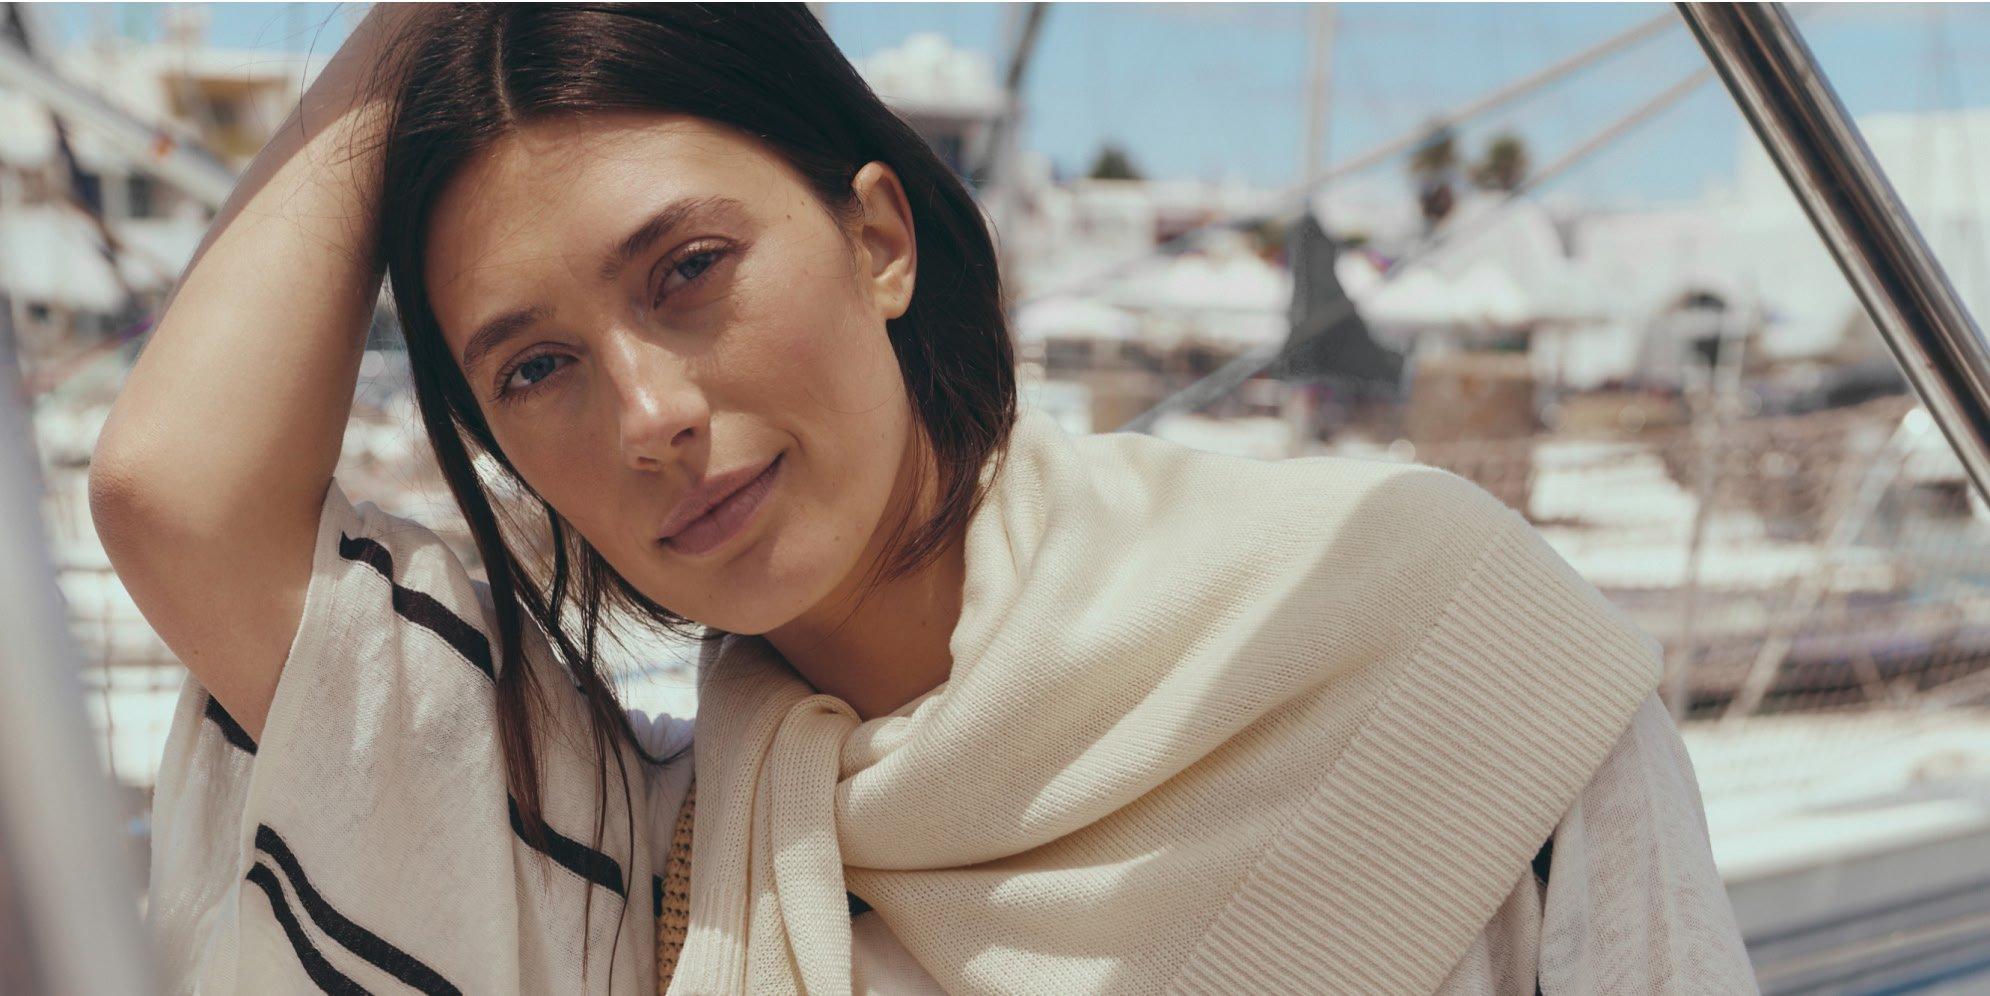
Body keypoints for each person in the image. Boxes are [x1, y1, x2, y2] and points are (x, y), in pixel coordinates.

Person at [94, 5, 1755, 994]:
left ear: (879, 239)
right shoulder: (633, 856)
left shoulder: (1423, 634)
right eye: (532, 370)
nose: (650, 414)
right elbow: (178, 493)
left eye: (689, 268)